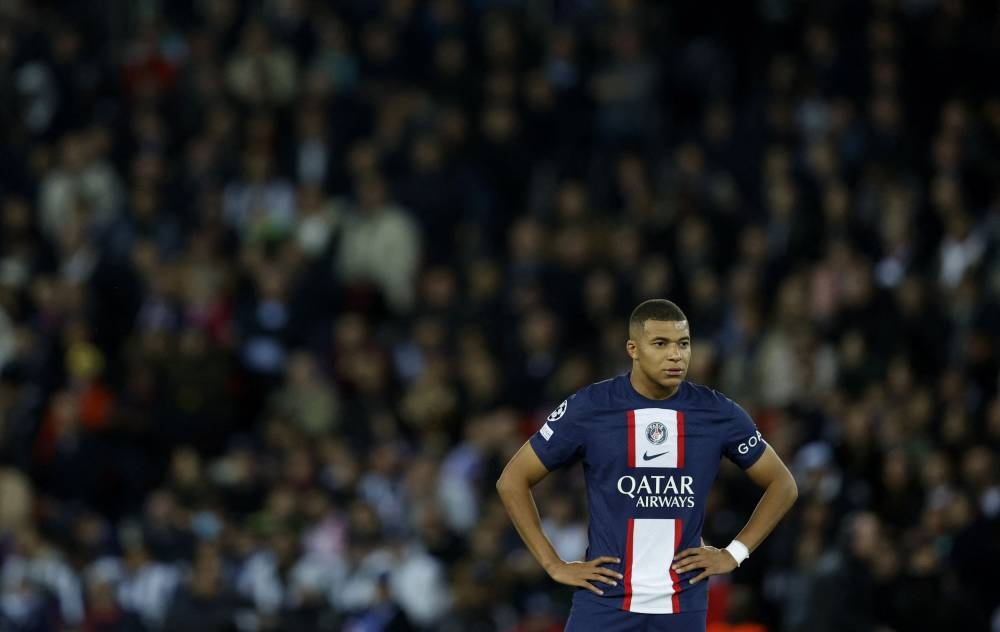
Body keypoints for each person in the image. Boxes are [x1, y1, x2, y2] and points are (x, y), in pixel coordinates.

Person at [496, 299, 798, 631]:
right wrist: (553, 564)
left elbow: (783, 484)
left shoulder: (718, 413)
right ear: (633, 349)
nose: (676, 355)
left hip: (681, 607)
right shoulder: (591, 408)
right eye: (660, 343)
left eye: (683, 344)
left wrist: (734, 553)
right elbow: (512, 480)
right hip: (604, 602)